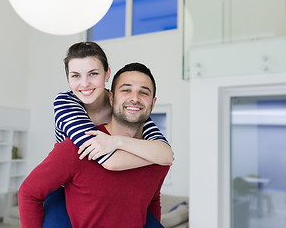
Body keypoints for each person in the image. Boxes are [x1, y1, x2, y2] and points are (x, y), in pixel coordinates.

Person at [18, 62, 171, 228]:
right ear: (111, 98)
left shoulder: (157, 154)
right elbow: (29, 193)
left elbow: (152, 201)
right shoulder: (80, 145)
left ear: (153, 103)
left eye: (143, 92)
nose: (135, 98)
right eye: (126, 90)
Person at [54, 41, 174, 169]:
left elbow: (166, 154)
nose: (84, 84)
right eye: (75, 76)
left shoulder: (121, 103)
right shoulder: (65, 102)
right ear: (68, 79)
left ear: (107, 74)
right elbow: (111, 161)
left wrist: (117, 141)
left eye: (93, 74)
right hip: (64, 183)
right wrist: (154, 158)